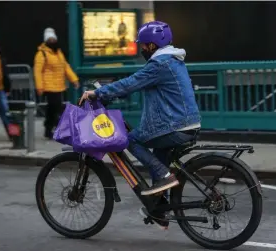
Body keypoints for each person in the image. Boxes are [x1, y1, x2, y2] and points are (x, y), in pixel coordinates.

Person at [80, 21, 201, 197]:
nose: (142, 48)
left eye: (143, 45)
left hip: (175, 126)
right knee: (158, 160)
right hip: (186, 123)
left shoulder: (159, 64)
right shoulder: (173, 61)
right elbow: (136, 85)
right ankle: (161, 206)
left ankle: (166, 177)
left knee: (130, 140)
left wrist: (97, 93)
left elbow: (130, 83)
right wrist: (111, 93)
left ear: (152, 45)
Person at [34, 27, 80, 139]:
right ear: (46, 40)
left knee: (52, 109)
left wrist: (74, 79)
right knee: (56, 109)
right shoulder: (41, 54)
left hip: (59, 86)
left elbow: (66, 67)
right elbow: (37, 71)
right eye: (49, 39)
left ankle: (48, 129)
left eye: (53, 39)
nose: (52, 41)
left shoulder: (58, 53)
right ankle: (60, 130)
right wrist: (39, 87)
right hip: (49, 87)